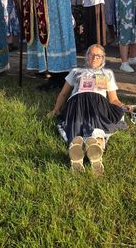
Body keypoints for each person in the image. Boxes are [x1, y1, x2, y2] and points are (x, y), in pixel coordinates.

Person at [48, 44, 131, 174]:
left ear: (103, 58)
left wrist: (123, 106)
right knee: (75, 124)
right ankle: (79, 149)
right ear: (86, 56)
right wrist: (56, 109)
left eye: (98, 56)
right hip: (77, 101)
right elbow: (63, 93)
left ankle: (95, 149)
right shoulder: (76, 72)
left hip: (98, 101)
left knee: (97, 122)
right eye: (91, 54)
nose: (94, 58)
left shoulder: (107, 73)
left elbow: (113, 99)